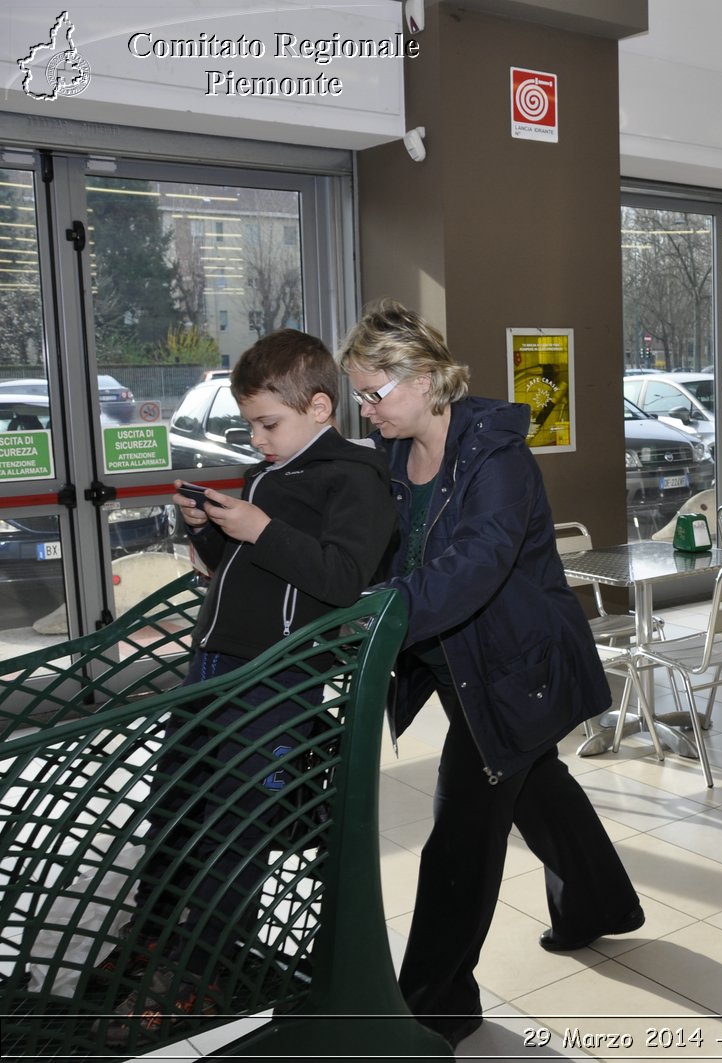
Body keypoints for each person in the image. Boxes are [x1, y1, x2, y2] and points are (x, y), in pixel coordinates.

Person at [339, 300, 641, 1049]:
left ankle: (433, 1006)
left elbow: (474, 566)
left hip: (513, 672)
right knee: (538, 787)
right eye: (361, 395)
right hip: (457, 664)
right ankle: (598, 902)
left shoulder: (497, 458)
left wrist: (382, 610)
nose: (367, 408)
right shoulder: (391, 457)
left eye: (376, 392)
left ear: (428, 378)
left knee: (462, 830)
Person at [100, 330, 396, 1048]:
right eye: (251, 425)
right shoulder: (269, 475)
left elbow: (340, 578)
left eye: (269, 423)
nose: (257, 439)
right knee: (178, 806)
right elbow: (231, 573)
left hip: (277, 680)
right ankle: (155, 939)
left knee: (237, 825)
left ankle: (203, 967)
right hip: (214, 664)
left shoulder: (353, 477)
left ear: (320, 407)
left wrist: (259, 525)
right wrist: (206, 529)